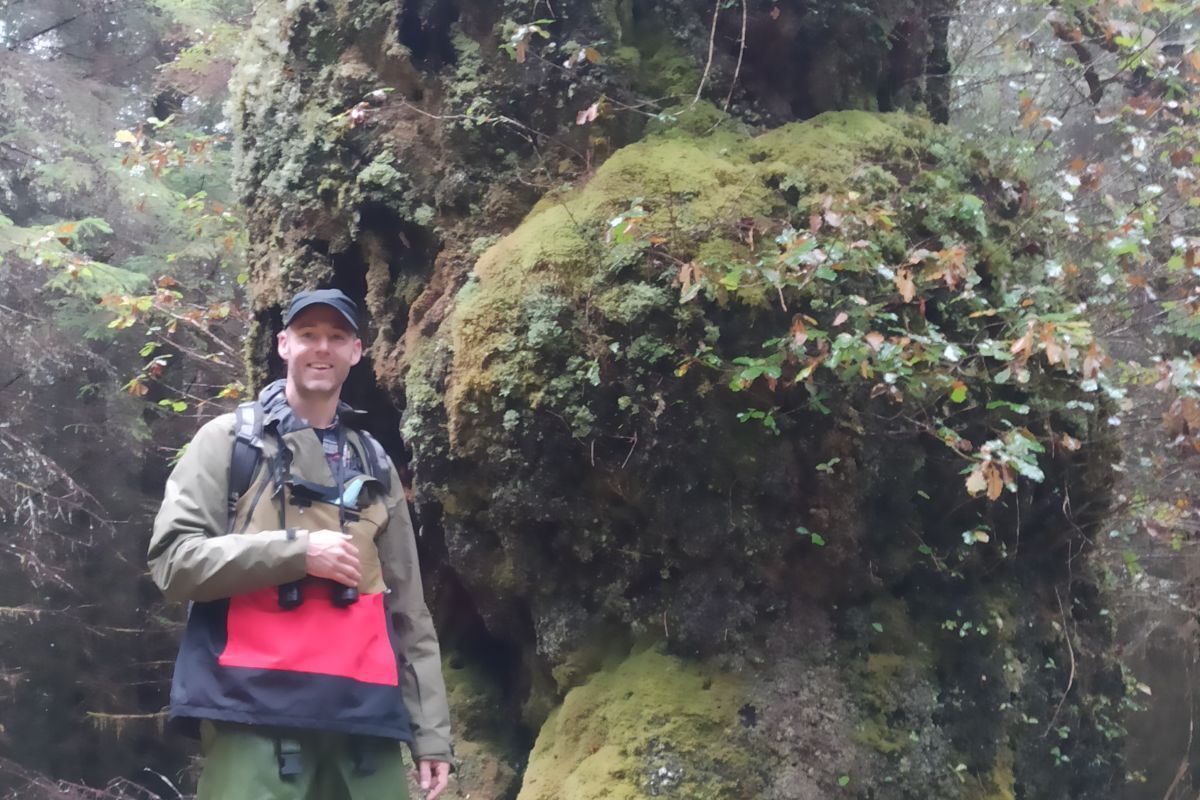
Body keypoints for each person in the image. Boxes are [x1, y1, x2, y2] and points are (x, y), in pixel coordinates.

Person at [148, 288, 453, 799]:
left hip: (364, 719)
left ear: (356, 352)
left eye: (337, 337)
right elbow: (174, 562)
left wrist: (431, 737)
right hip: (251, 710)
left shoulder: (375, 462)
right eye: (308, 335)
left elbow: (408, 612)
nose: (322, 348)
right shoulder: (229, 442)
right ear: (283, 344)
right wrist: (297, 553)